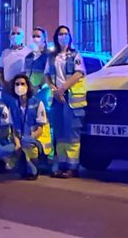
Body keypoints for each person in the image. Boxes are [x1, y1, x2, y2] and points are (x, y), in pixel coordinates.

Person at [46, 24, 86, 178]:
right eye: (60, 34)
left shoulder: (75, 55)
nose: (63, 37)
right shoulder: (52, 57)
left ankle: (72, 166)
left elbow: (78, 74)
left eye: (66, 34)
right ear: (56, 38)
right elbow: (47, 76)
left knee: (72, 134)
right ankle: (62, 165)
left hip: (71, 98)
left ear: (70, 37)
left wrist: (62, 89)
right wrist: (54, 90)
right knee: (60, 133)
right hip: (57, 99)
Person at [24, 26, 55, 166]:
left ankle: (49, 156)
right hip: (31, 94)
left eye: (38, 36)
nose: (35, 38)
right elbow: (25, 74)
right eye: (33, 36)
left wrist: (39, 87)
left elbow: (48, 74)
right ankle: (34, 153)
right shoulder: (29, 56)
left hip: (43, 93)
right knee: (33, 123)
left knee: (46, 124)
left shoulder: (49, 55)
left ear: (44, 38)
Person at [9, 73, 49, 180]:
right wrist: (17, 143)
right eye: (17, 84)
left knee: (27, 143)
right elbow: (13, 129)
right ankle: (23, 164)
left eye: (22, 84)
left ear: (28, 86)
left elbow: (40, 129)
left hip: (36, 139)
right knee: (5, 150)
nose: (19, 87)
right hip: (20, 139)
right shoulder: (13, 106)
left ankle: (34, 166)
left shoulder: (37, 103)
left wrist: (30, 139)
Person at [0, 26, 31, 101]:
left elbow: (29, 71)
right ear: (9, 37)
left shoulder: (28, 52)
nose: (15, 35)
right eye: (13, 33)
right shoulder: (5, 52)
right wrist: (3, 84)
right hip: (7, 89)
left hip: (21, 88)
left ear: (23, 36)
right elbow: (0, 71)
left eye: (18, 33)